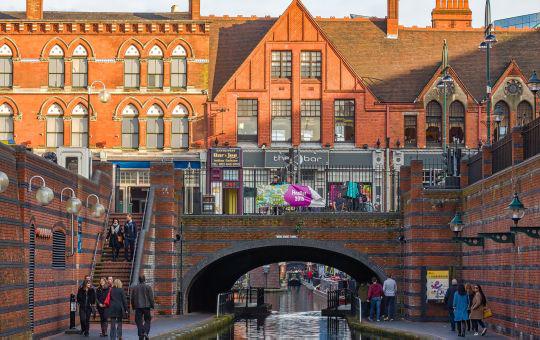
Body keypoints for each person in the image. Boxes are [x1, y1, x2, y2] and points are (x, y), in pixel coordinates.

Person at [131, 275, 155, 340]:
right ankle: (145, 332)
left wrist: (133, 306)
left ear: (139, 280)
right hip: (146, 307)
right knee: (147, 320)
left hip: (138, 307)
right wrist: (152, 306)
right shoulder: (148, 287)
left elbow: (132, 298)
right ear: (144, 280)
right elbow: (151, 298)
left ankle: (141, 334)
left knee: (138, 321)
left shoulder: (135, 288)